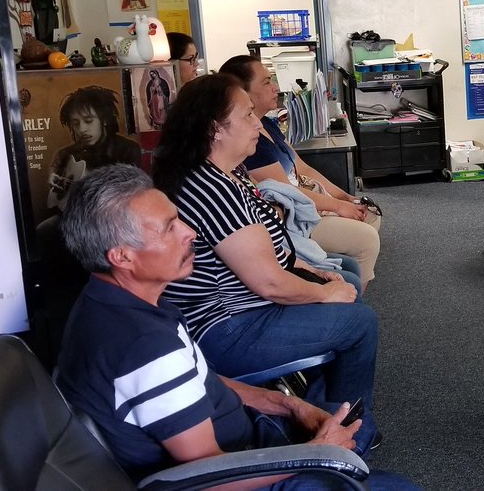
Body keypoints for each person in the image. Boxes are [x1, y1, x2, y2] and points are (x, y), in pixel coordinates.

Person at [54, 165, 413, 489]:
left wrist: (288, 406)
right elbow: (209, 477)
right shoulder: (145, 348)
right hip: (238, 467)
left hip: (244, 434)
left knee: (354, 425)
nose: (190, 232)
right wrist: (318, 453)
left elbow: (200, 378)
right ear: (122, 256)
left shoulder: (114, 299)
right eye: (169, 227)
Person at [152, 73, 380, 447]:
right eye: (246, 116)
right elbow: (268, 282)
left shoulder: (228, 174)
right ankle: (352, 431)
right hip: (226, 329)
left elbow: (269, 250)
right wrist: (322, 294)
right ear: (215, 129)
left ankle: (317, 411)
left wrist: (309, 271)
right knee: (359, 322)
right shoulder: (209, 187)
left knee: (346, 285)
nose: (258, 122)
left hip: (244, 309)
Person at [220, 55, 383, 289]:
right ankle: (352, 300)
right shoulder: (250, 143)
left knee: (369, 216)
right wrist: (337, 206)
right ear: (242, 91)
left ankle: (351, 294)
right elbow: (288, 194)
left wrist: (343, 197)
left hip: (305, 201)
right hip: (294, 215)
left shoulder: (267, 124)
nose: (276, 87)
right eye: (266, 82)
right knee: (366, 238)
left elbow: (303, 169)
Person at [47, 85, 142, 211]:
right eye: (75, 123)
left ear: (105, 120)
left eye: (88, 120)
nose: (82, 129)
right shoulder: (65, 154)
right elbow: (56, 171)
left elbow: (132, 195)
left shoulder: (128, 150)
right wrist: (53, 176)